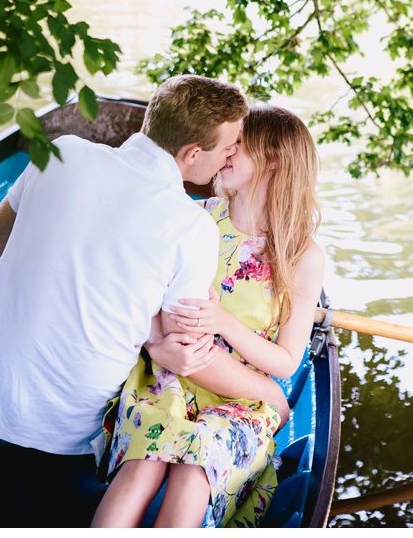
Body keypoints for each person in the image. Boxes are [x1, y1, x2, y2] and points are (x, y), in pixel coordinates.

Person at [0, 75, 289, 527]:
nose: (231, 155)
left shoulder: (62, 151)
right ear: (192, 155)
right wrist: (269, 392)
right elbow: (189, 355)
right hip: (61, 445)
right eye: (228, 147)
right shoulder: (191, 226)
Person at [91, 104, 325, 528]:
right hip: (172, 372)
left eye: (239, 144)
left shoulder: (301, 256)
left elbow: (288, 362)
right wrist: (153, 343)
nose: (226, 152)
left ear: (272, 159)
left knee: (195, 471)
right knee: (146, 461)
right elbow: (140, 298)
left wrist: (222, 322)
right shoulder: (196, 219)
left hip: (242, 397)